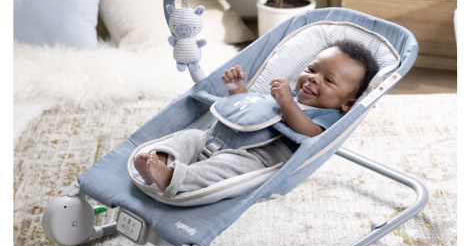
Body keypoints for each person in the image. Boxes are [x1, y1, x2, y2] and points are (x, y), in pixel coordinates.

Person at [133, 40, 379, 197]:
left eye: (329, 80)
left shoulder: (329, 115)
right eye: (312, 70)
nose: (314, 78)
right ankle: (159, 160)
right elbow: (253, 107)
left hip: (256, 156)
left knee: (223, 168)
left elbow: (311, 134)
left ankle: (173, 178)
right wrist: (238, 91)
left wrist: (287, 104)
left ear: (347, 104)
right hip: (219, 137)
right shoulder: (286, 92)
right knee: (188, 138)